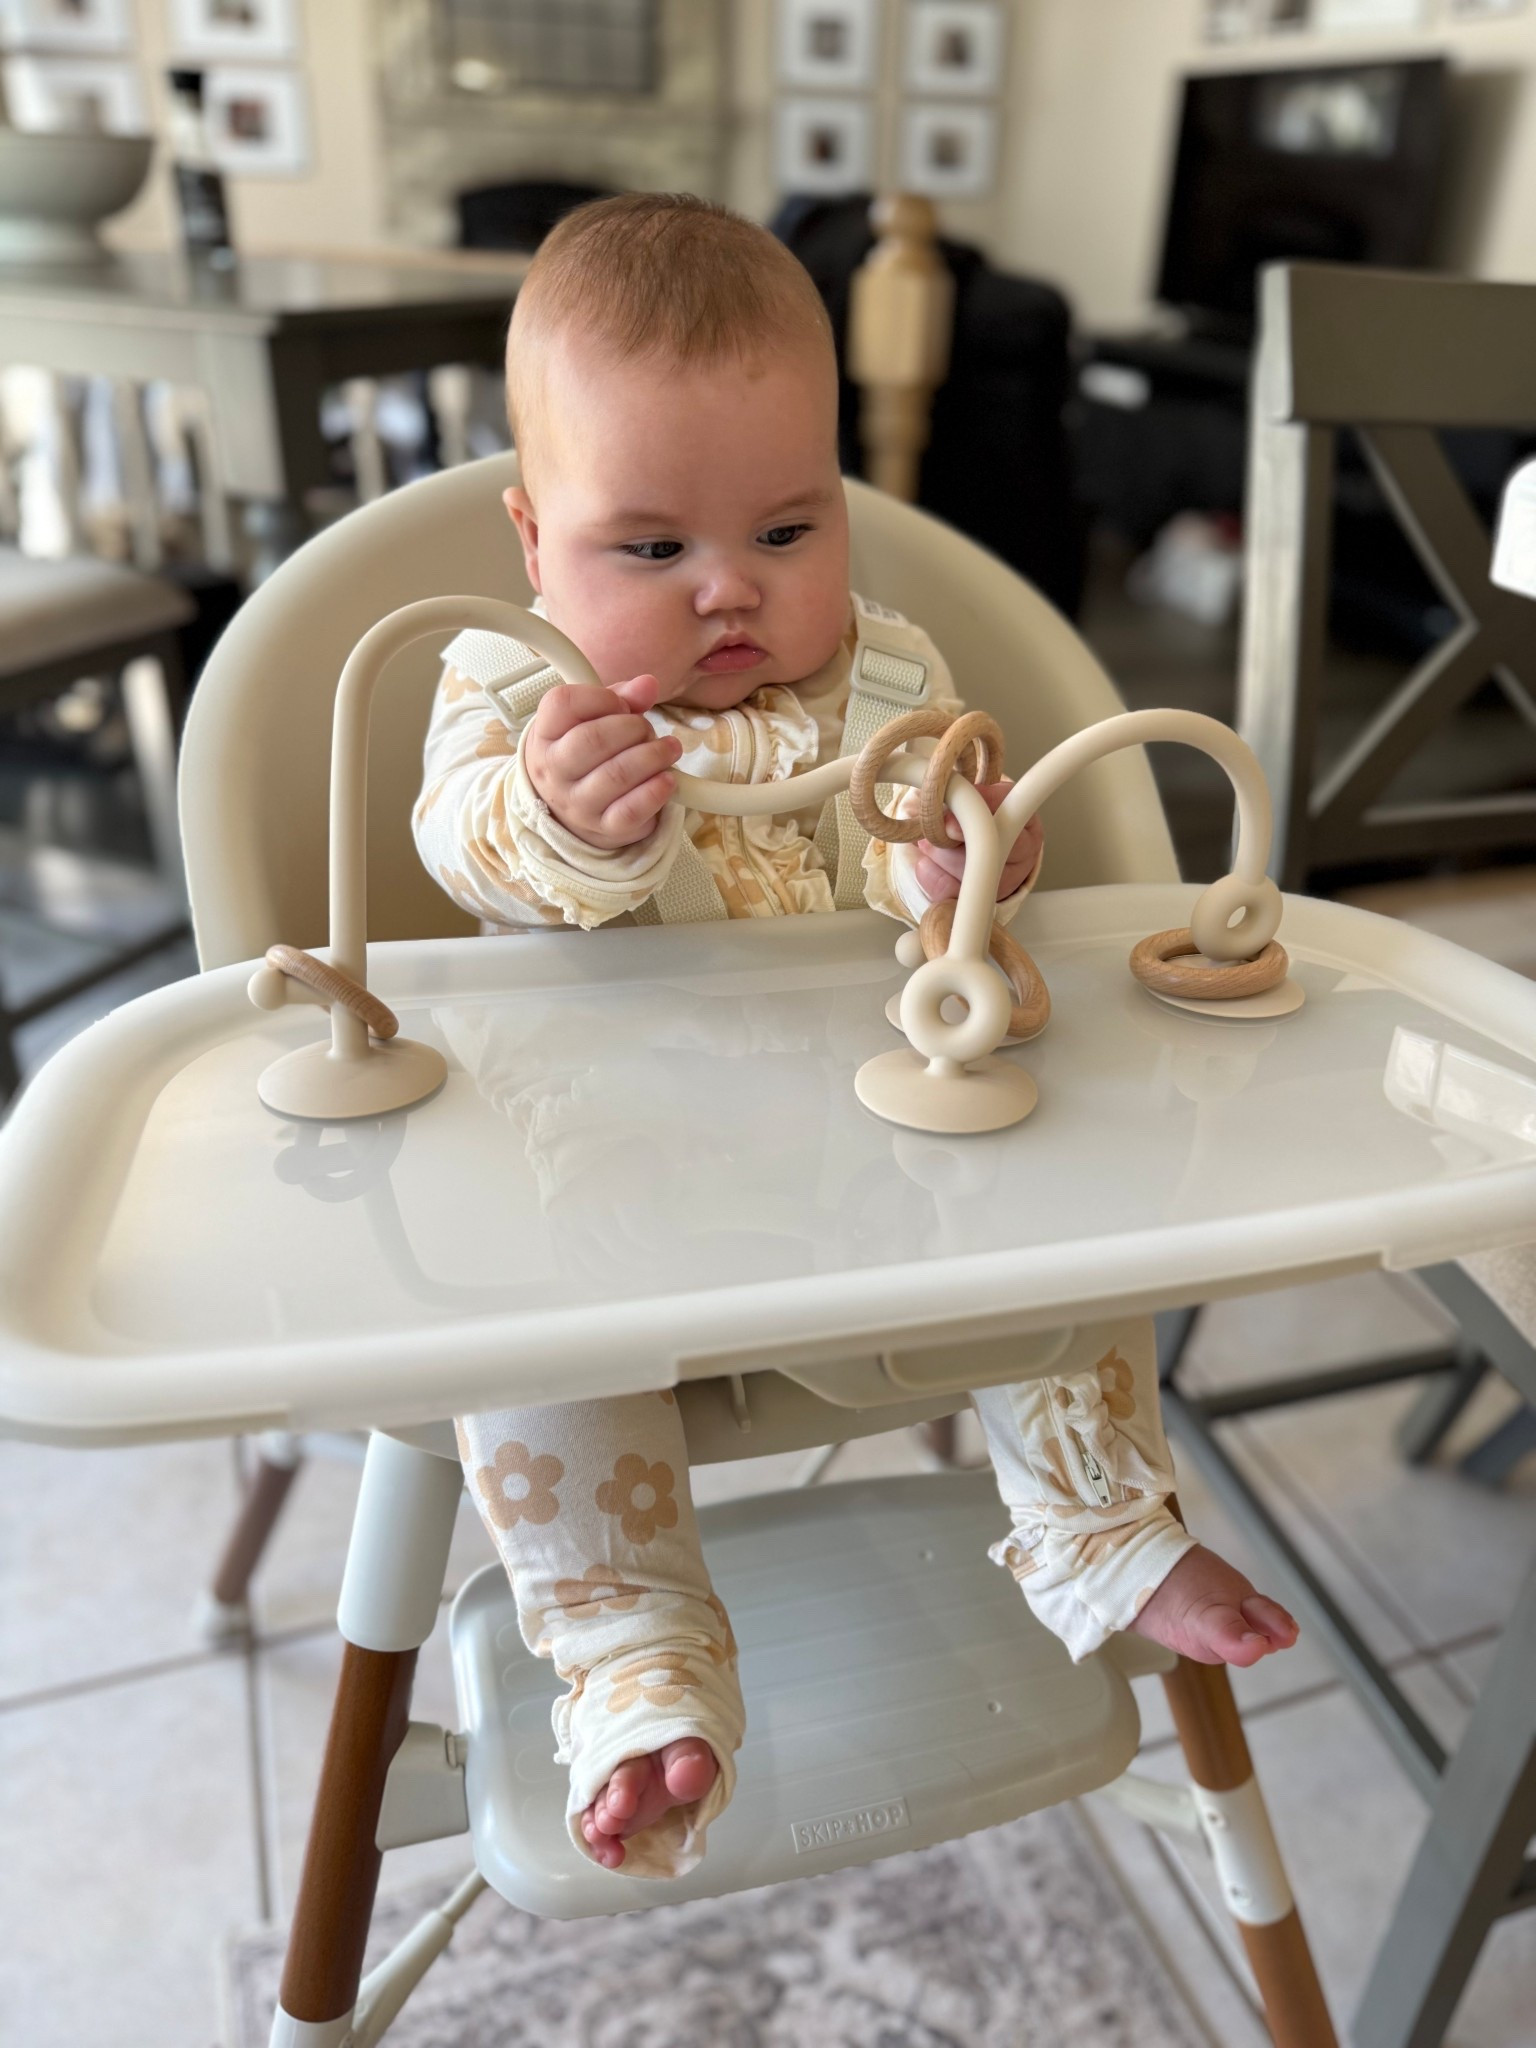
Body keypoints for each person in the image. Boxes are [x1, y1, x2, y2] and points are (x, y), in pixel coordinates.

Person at [413, 192, 1297, 1881]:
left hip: (883, 1163)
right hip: (606, 1181)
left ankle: (1097, 1525)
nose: (730, 593)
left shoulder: (884, 676)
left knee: (1070, 1218)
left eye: (788, 531)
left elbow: (938, 843)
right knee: (516, 1345)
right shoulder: (522, 695)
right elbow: (457, 841)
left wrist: (974, 857)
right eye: (652, 549)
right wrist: (558, 824)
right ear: (537, 546)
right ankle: (631, 1658)